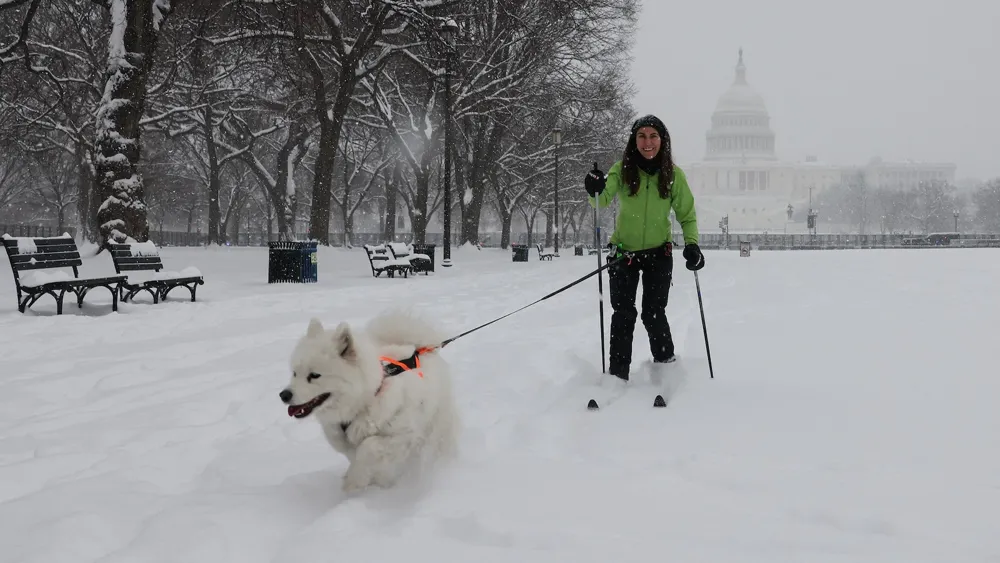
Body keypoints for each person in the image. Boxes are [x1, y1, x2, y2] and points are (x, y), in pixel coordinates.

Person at [584, 114, 705, 381]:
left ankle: (665, 368)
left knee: (653, 312)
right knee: (623, 314)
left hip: (657, 254)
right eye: (642, 136)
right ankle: (617, 375)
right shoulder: (622, 169)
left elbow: (687, 215)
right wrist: (593, 187)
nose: (647, 142)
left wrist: (692, 245)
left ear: (663, 141)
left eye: (653, 136)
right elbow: (601, 200)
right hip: (623, 254)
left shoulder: (673, 175)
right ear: (633, 140)